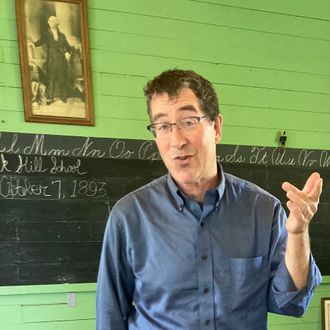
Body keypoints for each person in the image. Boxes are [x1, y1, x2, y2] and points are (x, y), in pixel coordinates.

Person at [96, 69, 323, 329]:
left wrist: (298, 234)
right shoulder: (129, 216)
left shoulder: (262, 209)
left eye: (188, 121)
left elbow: (290, 303)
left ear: (216, 127)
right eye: (162, 126)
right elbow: (110, 315)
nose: (176, 141)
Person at [31, 16, 71, 105]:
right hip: (52, 60)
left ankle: (63, 96)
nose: (50, 23)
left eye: (53, 21)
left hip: (61, 59)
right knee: (51, 78)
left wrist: (68, 53)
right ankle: (50, 97)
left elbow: (67, 47)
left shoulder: (62, 35)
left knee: (62, 78)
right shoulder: (47, 34)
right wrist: (33, 44)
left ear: (56, 23)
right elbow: (40, 41)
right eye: (50, 21)